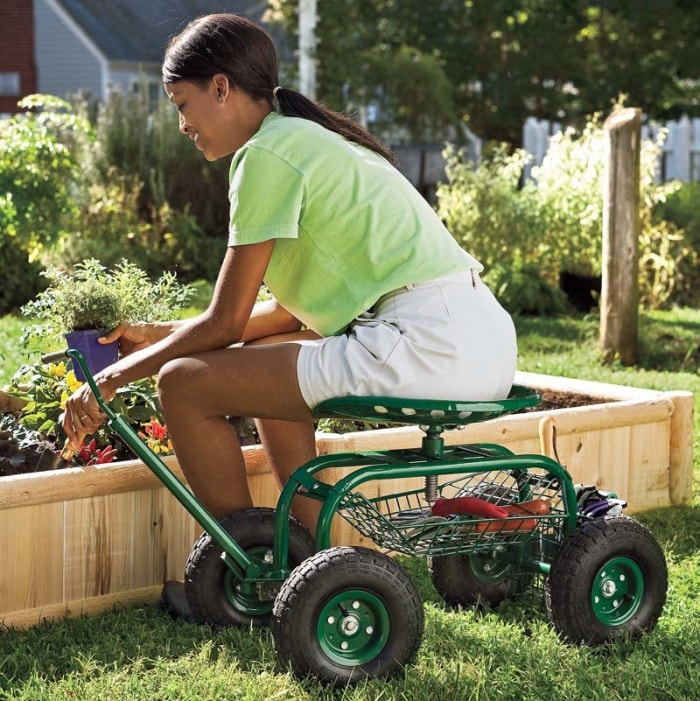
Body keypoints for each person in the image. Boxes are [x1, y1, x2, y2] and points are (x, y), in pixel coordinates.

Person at [62, 13, 517, 620]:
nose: (182, 124)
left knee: (184, 384)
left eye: (183, 102)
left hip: (424, 343)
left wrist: (114, 380)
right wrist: (155, 336)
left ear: (221, 88)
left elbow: (225, 324)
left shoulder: (266, 155)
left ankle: (247, 577)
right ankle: (312, 571)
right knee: (270, 376)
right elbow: (276, 319)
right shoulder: (304, 139)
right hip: (474, 339)